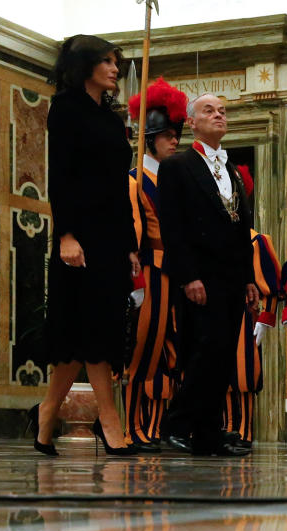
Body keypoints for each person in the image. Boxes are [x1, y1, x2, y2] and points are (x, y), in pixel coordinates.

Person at [33, 35, 141, 457]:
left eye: (116, 62)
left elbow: (119, 187)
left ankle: (46, 412)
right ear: (86, 66)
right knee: (87, 328)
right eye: (107, 62)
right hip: (77, 237)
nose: (115, 69)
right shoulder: (65, 109)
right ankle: (109, 421)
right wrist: (66, 235)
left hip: (111, 237)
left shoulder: (114, 122)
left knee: (86, 333)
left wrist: (130, 243)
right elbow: (58, 176)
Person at [157, 93, 258, 456]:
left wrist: (249, 278)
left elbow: (242, 228)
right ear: (191, 122)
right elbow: (174, 227)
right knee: (204, 353)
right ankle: (176, 424)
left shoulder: (231, 170)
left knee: (221, 357)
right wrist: (188, 277)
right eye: (209, 111)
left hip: (232, 276)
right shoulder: (177, 166)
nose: (219, 115)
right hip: (200, 276)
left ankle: (208, 435)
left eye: (223, 111)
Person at [122, 77, 187, 453]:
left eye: (175, 133)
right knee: (143, 351)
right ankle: (131, 427)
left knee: (169, 354)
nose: (174, 139)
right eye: (166, 134)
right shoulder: (134, 181)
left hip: (174, 271)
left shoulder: (174, 179)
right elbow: (131, 233)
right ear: (149, 139)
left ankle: (153, 426)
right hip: (149, 269)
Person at [223, 167, 283, 449]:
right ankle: (225, 427)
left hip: (247, 318)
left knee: (245, 375)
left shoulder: (258, 240)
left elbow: (273, 283)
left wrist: (265, 320)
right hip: (219, 314)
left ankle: (245, 431)